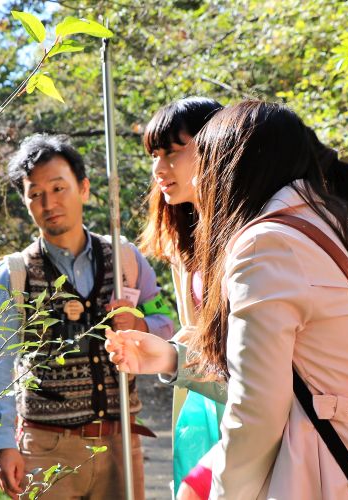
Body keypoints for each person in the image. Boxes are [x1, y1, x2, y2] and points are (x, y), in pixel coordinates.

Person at [107, 101, 348, 498]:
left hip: (316, 469)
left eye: (207, 160)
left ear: (236, 164)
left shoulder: (265, 244)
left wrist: (225, 493)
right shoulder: (330, 230)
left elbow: (257, 408)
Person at [0, 134, 174, 500]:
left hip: (120, 443)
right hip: (46, 447)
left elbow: (167, 321)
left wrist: (143, 326)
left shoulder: (125, 259)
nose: (48, 203)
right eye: (35, 194)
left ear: (83, 189)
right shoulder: (15, 273)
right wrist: (2, 444)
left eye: (58, 188)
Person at [138, 97, 223, 498]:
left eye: (172, 152)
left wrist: (171, 356)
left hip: (249, 412)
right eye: (155, 155)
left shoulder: (253, 234)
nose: (159, 169)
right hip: (201, 405)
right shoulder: (184, 239)